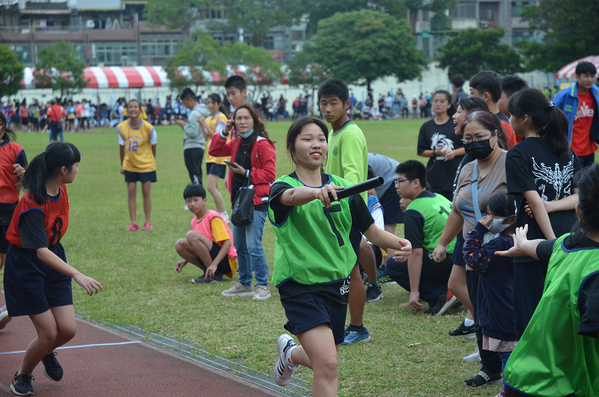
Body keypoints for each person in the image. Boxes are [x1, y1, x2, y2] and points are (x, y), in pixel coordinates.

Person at [269, 117, 412, 397]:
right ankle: (293, 354)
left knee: (323, 359)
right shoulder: (281, 187)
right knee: (329, 365)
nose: (316, 144)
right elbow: (291, 197)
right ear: (291, 147)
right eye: (307, 139)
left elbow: (371, 231)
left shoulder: (345, 187)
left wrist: (400, 243)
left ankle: (290, 354)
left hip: (337, 285)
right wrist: (315, 193)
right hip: (300, 286)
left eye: (321, 138)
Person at [3, 142, 103, 396]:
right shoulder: (33, 201)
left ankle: (45, 351)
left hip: (54, 256)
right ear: (62, 169)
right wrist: (77, 273)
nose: (77, 170)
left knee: (67, 329)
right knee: (48, 332)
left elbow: (49, 247)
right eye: (76, 166)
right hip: (26, 264)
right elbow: (39, 251)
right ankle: (22, 376)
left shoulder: (59, 187)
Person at [495, 164, 599, 397]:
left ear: (579, 211)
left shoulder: (565, 246)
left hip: (523, 375)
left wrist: (521, 244)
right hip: (562, 387)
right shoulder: (595, 272)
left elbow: (539, 247)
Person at [433, 109, 508, 387]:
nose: (474, 142)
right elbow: (457, 210)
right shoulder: (466, 167)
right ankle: (490, 367)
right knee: (479, 309)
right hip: (475, 250)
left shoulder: (511, 163)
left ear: (495, 134)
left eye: (480, 136)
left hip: (503, 253)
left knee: (503, 311)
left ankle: (510, 364)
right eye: (468, 138)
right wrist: (443, 243)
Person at [506, 88, 581, 338]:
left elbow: (535, 202)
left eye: (511, 116)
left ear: (524, 118)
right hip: (571, 239)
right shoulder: (566, 151)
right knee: (564, 315)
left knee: (533, 319)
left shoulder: (518, 153)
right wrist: (555, 207)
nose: (509, 121)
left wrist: (550, 246)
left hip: (535, 244)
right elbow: (579, 196)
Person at [318, 78, 374, 345]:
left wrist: (332, 193)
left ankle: (358, 327)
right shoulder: (334, 131)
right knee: (344, 270)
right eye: (323, 104)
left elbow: (353, 180)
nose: (327, 109)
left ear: (347, 104)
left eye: (333, 103)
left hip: (347, 211)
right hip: (338, 212)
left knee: (351, 271)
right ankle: (345, 323)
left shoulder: (349, 134)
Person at [209, 104, 276, 301]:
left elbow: (271, 174)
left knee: (253, 245)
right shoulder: (237, 141)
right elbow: (215, 149)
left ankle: (262, 285)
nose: (243, 122)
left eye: (247, 118)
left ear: (255, 121)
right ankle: (245, 283)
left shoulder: (263, 144)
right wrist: (225, 131)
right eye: (238, 119)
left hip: (257, 200)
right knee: (239, 245)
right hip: (239, 200)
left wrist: (246, 172)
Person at [463, 193, 518, 396]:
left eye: (492, 215)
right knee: (512, 351)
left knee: (506, 353)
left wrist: (477, 230)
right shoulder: (521, 240)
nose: (487, 220)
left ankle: (508, 391)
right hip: (515, 305)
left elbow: (471, 257)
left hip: (501, 308)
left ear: (510, 219)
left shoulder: (499, 245)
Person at [386, 160, 455, 314]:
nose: (396, 186)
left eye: (400, 181)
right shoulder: (438, 197)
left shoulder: (414, 210)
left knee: (393, 264)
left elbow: (415, 253)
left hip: (445, 260)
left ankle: (439, 295)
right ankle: (451, 288)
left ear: (416, 182)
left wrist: (414, 292)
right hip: (459, 260)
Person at [175, 184, 237, 284]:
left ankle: (213, 274)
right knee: (180, 244)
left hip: (227, 261)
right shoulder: (194, 221)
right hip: (214, 258)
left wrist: (214, 264)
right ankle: (210, 273)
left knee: (191, 235)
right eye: (189, 201)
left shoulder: (212, 216)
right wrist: (186, 260)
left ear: (204, 201)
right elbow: (200, 245)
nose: (192, 204)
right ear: (185, 203)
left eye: (196, 200)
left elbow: (227, 243)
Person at [0, 112, 27, 331]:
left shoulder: (15, 150)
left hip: (8, 209)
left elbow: (28, 179)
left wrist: (22, 173)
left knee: (4, 261)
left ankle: (7, 309)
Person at [417, 90, 465, 201]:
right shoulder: (426, 126)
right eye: (435, 101)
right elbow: (421, 151)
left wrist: (453, 152)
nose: (438, 104)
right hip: (434, 176)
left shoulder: (456, 124)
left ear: (449, 105)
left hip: (454, 174)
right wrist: (436, 153)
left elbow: (466, 147)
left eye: (442, 101)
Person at [118, 99, 157, 232]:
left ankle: (147, 222)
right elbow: (121, 148)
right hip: (130, 165)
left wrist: (152, 161)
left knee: (146, 191)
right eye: (130, 107)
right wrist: (122, 164)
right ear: (127, 110)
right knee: (131, 192)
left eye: (135, 107)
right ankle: (133, 223)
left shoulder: (149, 128)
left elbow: (154, 146)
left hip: (146, 164)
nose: (133, 109)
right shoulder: (122, 127)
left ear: (140, 110)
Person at [553, 61, 599, 168]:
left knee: (589, 182)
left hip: (589, 148)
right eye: (586, 76)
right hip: (570, 148)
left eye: (592, 76)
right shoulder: (564, 95)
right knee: (574, 182)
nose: (590, 80)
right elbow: (550, 116)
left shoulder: (596, 94)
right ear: (577, 76)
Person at [197, 93, 230, 223]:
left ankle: (224, 215)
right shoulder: (209, 118)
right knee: (214, 188)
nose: (210, 105)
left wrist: (205, 125)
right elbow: (208, 138)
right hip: (210, 156)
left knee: (210, 187)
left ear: (219, 104)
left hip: (219, 156)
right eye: (208, 102)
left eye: (212, 102)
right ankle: (222, 216)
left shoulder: (221, 117)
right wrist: (202, 124)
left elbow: (218, 135)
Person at [469, 70, 517, 149]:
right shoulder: (479, 119)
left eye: (472, 92)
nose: (469, 97)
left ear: (486, 96)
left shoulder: (502, 125)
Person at [177, 88, 210, 187]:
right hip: (200, 146)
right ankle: (199, 198)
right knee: (198, 175)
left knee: (195, 178)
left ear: (190, 100)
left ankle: (198, 198)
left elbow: (193, 133)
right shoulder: (204, 111)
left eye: (184, 102)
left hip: (192, 147)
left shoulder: (194, 114)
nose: (184, 105)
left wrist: (184, 125)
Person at [367, 153, 403, 235]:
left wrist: (375, 209)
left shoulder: (357, 162)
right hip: (388, 174)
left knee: (386, 230)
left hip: (392, 180)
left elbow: (371, 190)